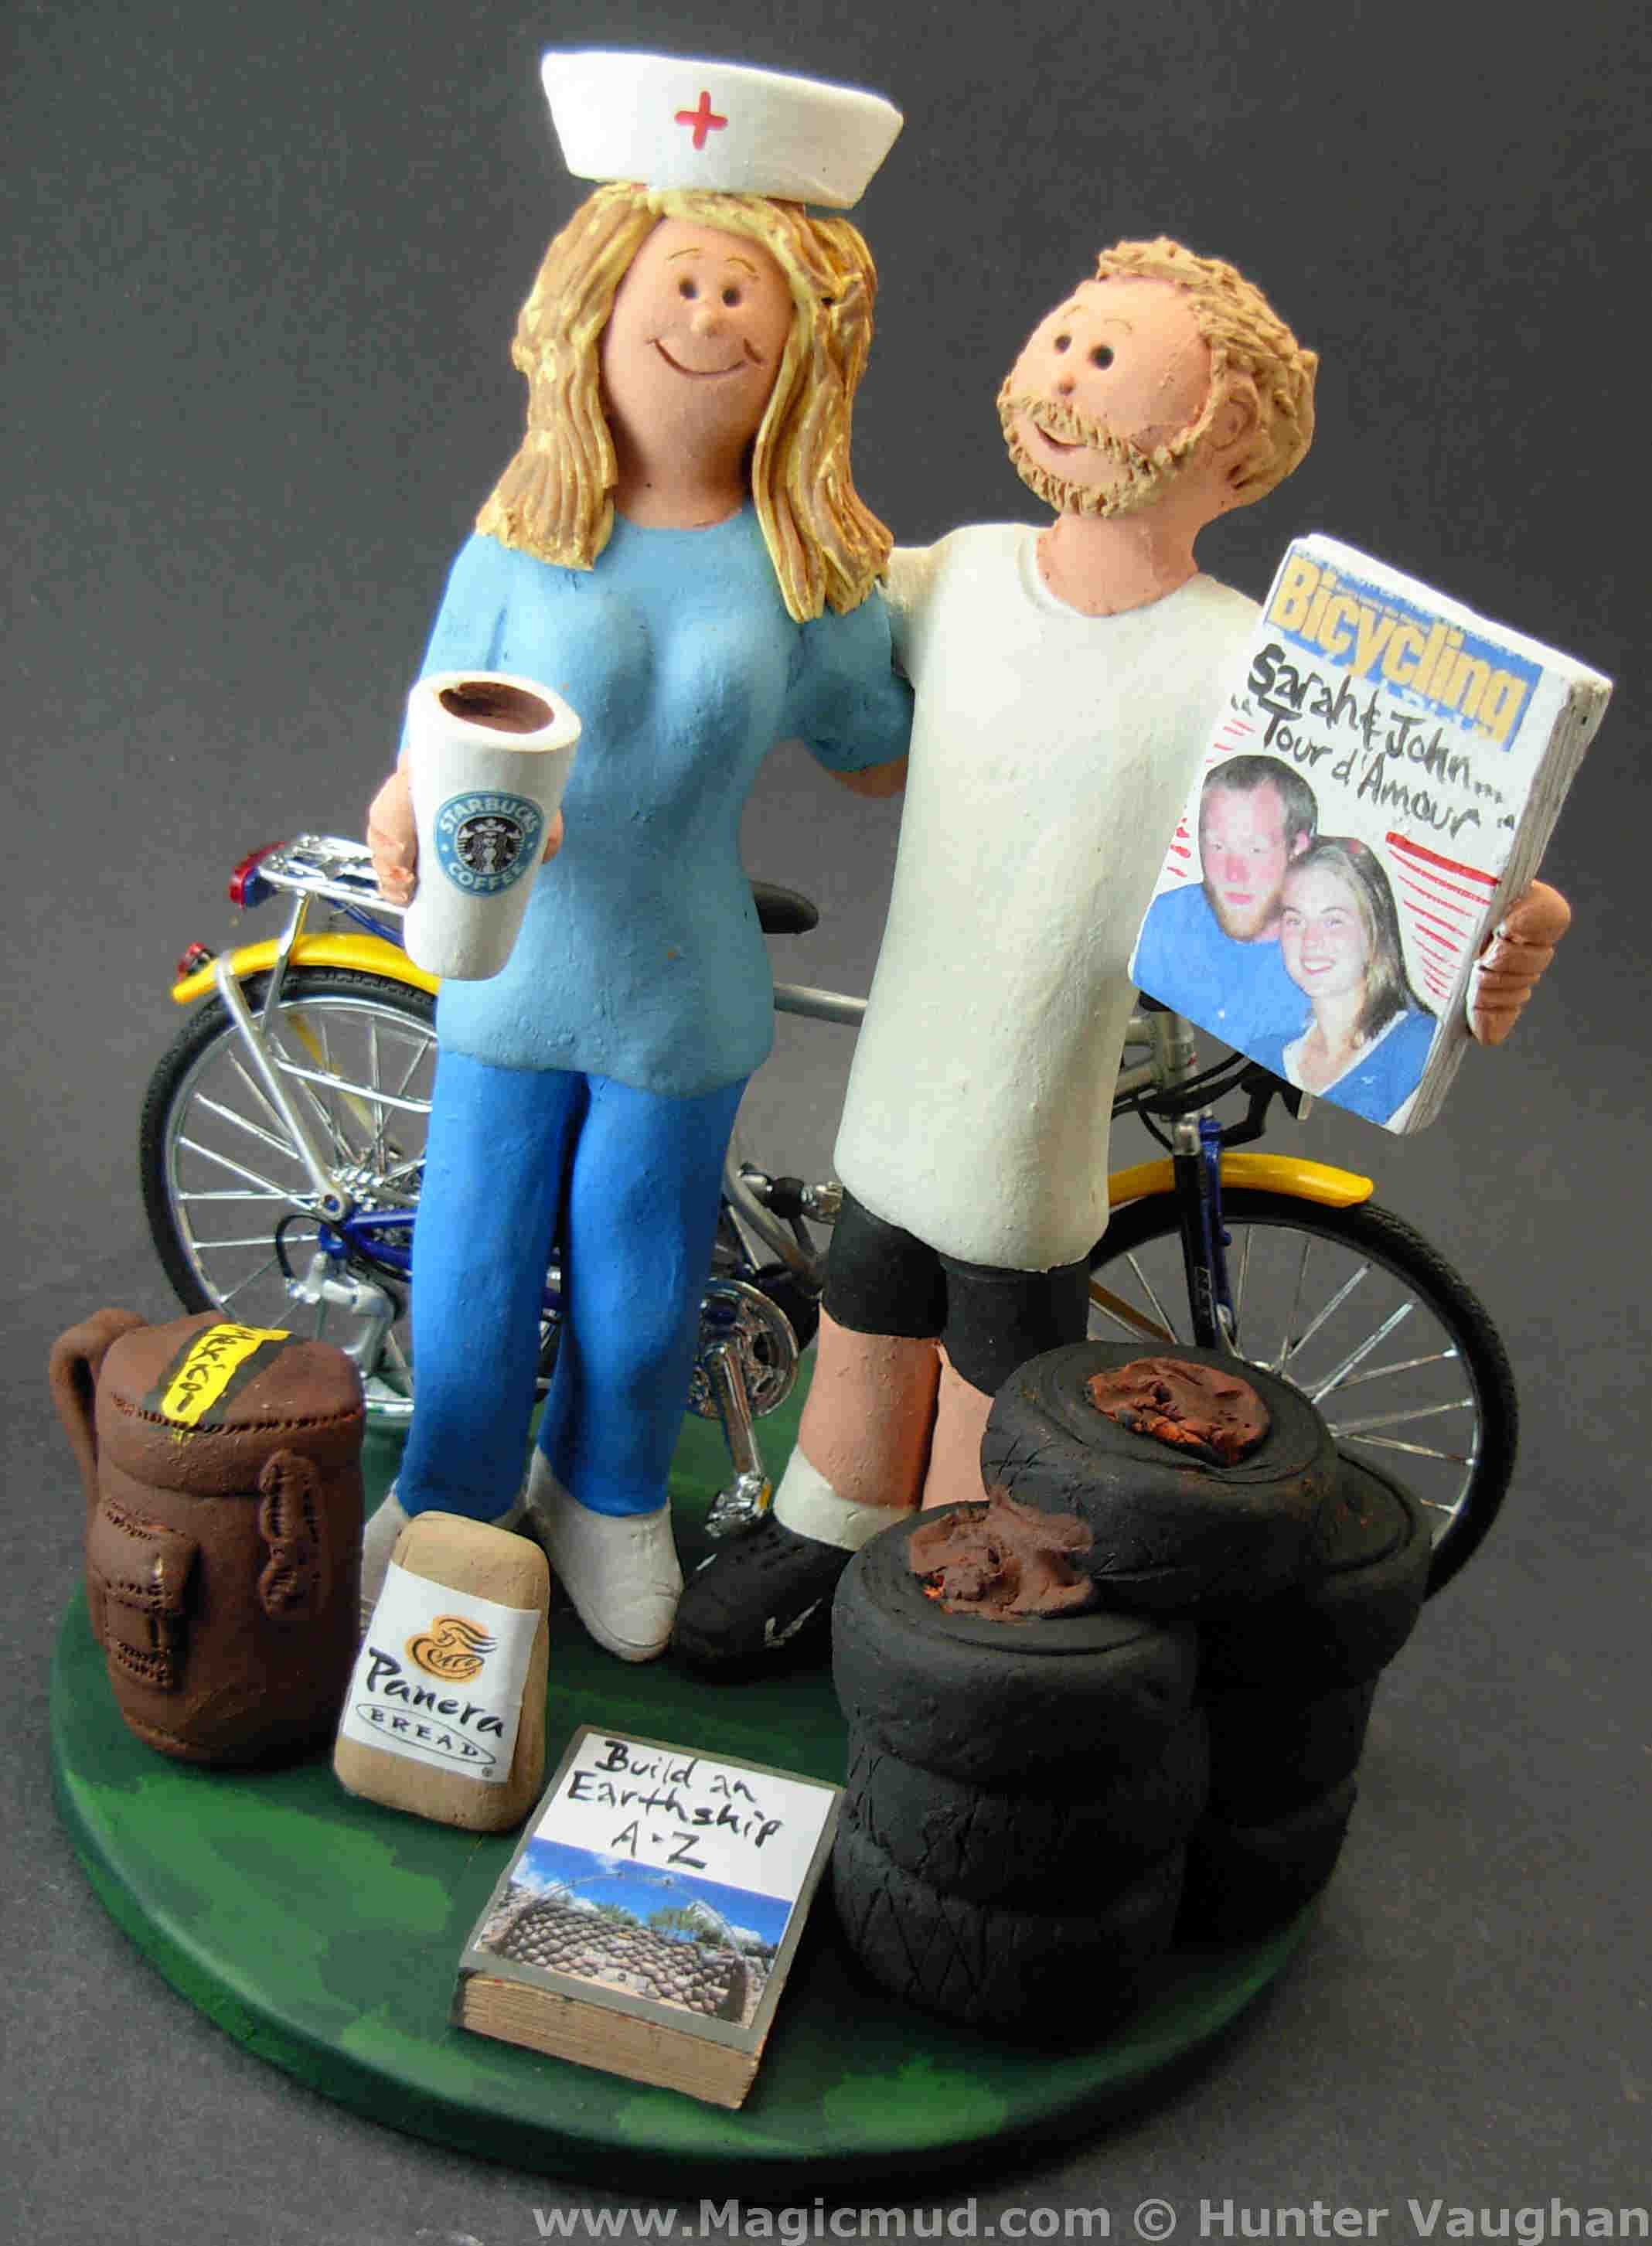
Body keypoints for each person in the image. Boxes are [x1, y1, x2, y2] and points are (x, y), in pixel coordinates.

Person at [674, 234, 1569, 1673]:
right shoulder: (962, 577)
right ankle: (829, 1518)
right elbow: (813, 598)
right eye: (1066, 337)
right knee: (867, 1285)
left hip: (1041, 1098)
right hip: (906, 1059)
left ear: (1233, 447)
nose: (1068, 373)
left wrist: (1500, 929)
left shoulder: (1243, 662)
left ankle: (951, 1564)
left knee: (1000, 1331)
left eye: (1112, 357)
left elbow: (1399, 832)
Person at [362, 57, 911, 1661]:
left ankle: (605, 1495)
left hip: (682, 986)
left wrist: (980, 641)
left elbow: (878, 744)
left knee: (640, 1269)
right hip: (509, 952)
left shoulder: (807, 566)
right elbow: (435, 716)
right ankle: (453, 1492)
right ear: (595, 303)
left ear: (802, 345)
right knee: (472, 1255)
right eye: (680, 279)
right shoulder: (523, 535)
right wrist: (403, 801)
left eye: (745, 292)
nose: (709, 315)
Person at [1132, 754, 1320, 1046]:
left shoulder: (1335, 961)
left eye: (1255, 849)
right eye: (1217, 846)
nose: (1234, 873)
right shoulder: (1163, 920)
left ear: (1297, 848)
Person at [1252, 838, 1436, 1126]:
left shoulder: (1420, 1045)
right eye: (1295, 921)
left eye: (1333, 921)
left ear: (1374, 930)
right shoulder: (1267, 1054)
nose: (1311, 941)